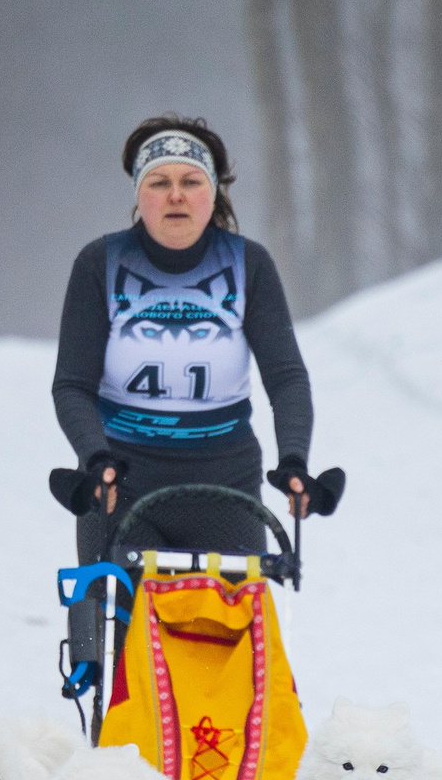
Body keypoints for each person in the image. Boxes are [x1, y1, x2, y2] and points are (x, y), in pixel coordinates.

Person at [50, 115, 334, 565]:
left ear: (213, 193)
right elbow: (72, 385)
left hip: (226, 486)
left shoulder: (250, 265)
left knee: (228, 632)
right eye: (159, 182)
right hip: (122, 484)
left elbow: (286, 378)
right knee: (136, 631)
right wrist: (94, 458)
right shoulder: (99, 263)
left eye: (191, 181)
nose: (176, 194)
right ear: (140, 195)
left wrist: (295, 462)